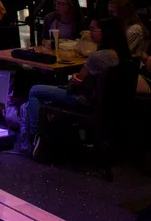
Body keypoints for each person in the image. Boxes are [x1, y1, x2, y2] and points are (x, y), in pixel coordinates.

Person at [26, 17, 132, 154]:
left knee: (35, 90)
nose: (90, 33)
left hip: (84, 101)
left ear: (105, 32)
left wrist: (74, 79)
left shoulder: (97, 57)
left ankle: (36, 135)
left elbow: (74, 83)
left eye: (93, 29)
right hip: (111, 105)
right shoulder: (123, 55)